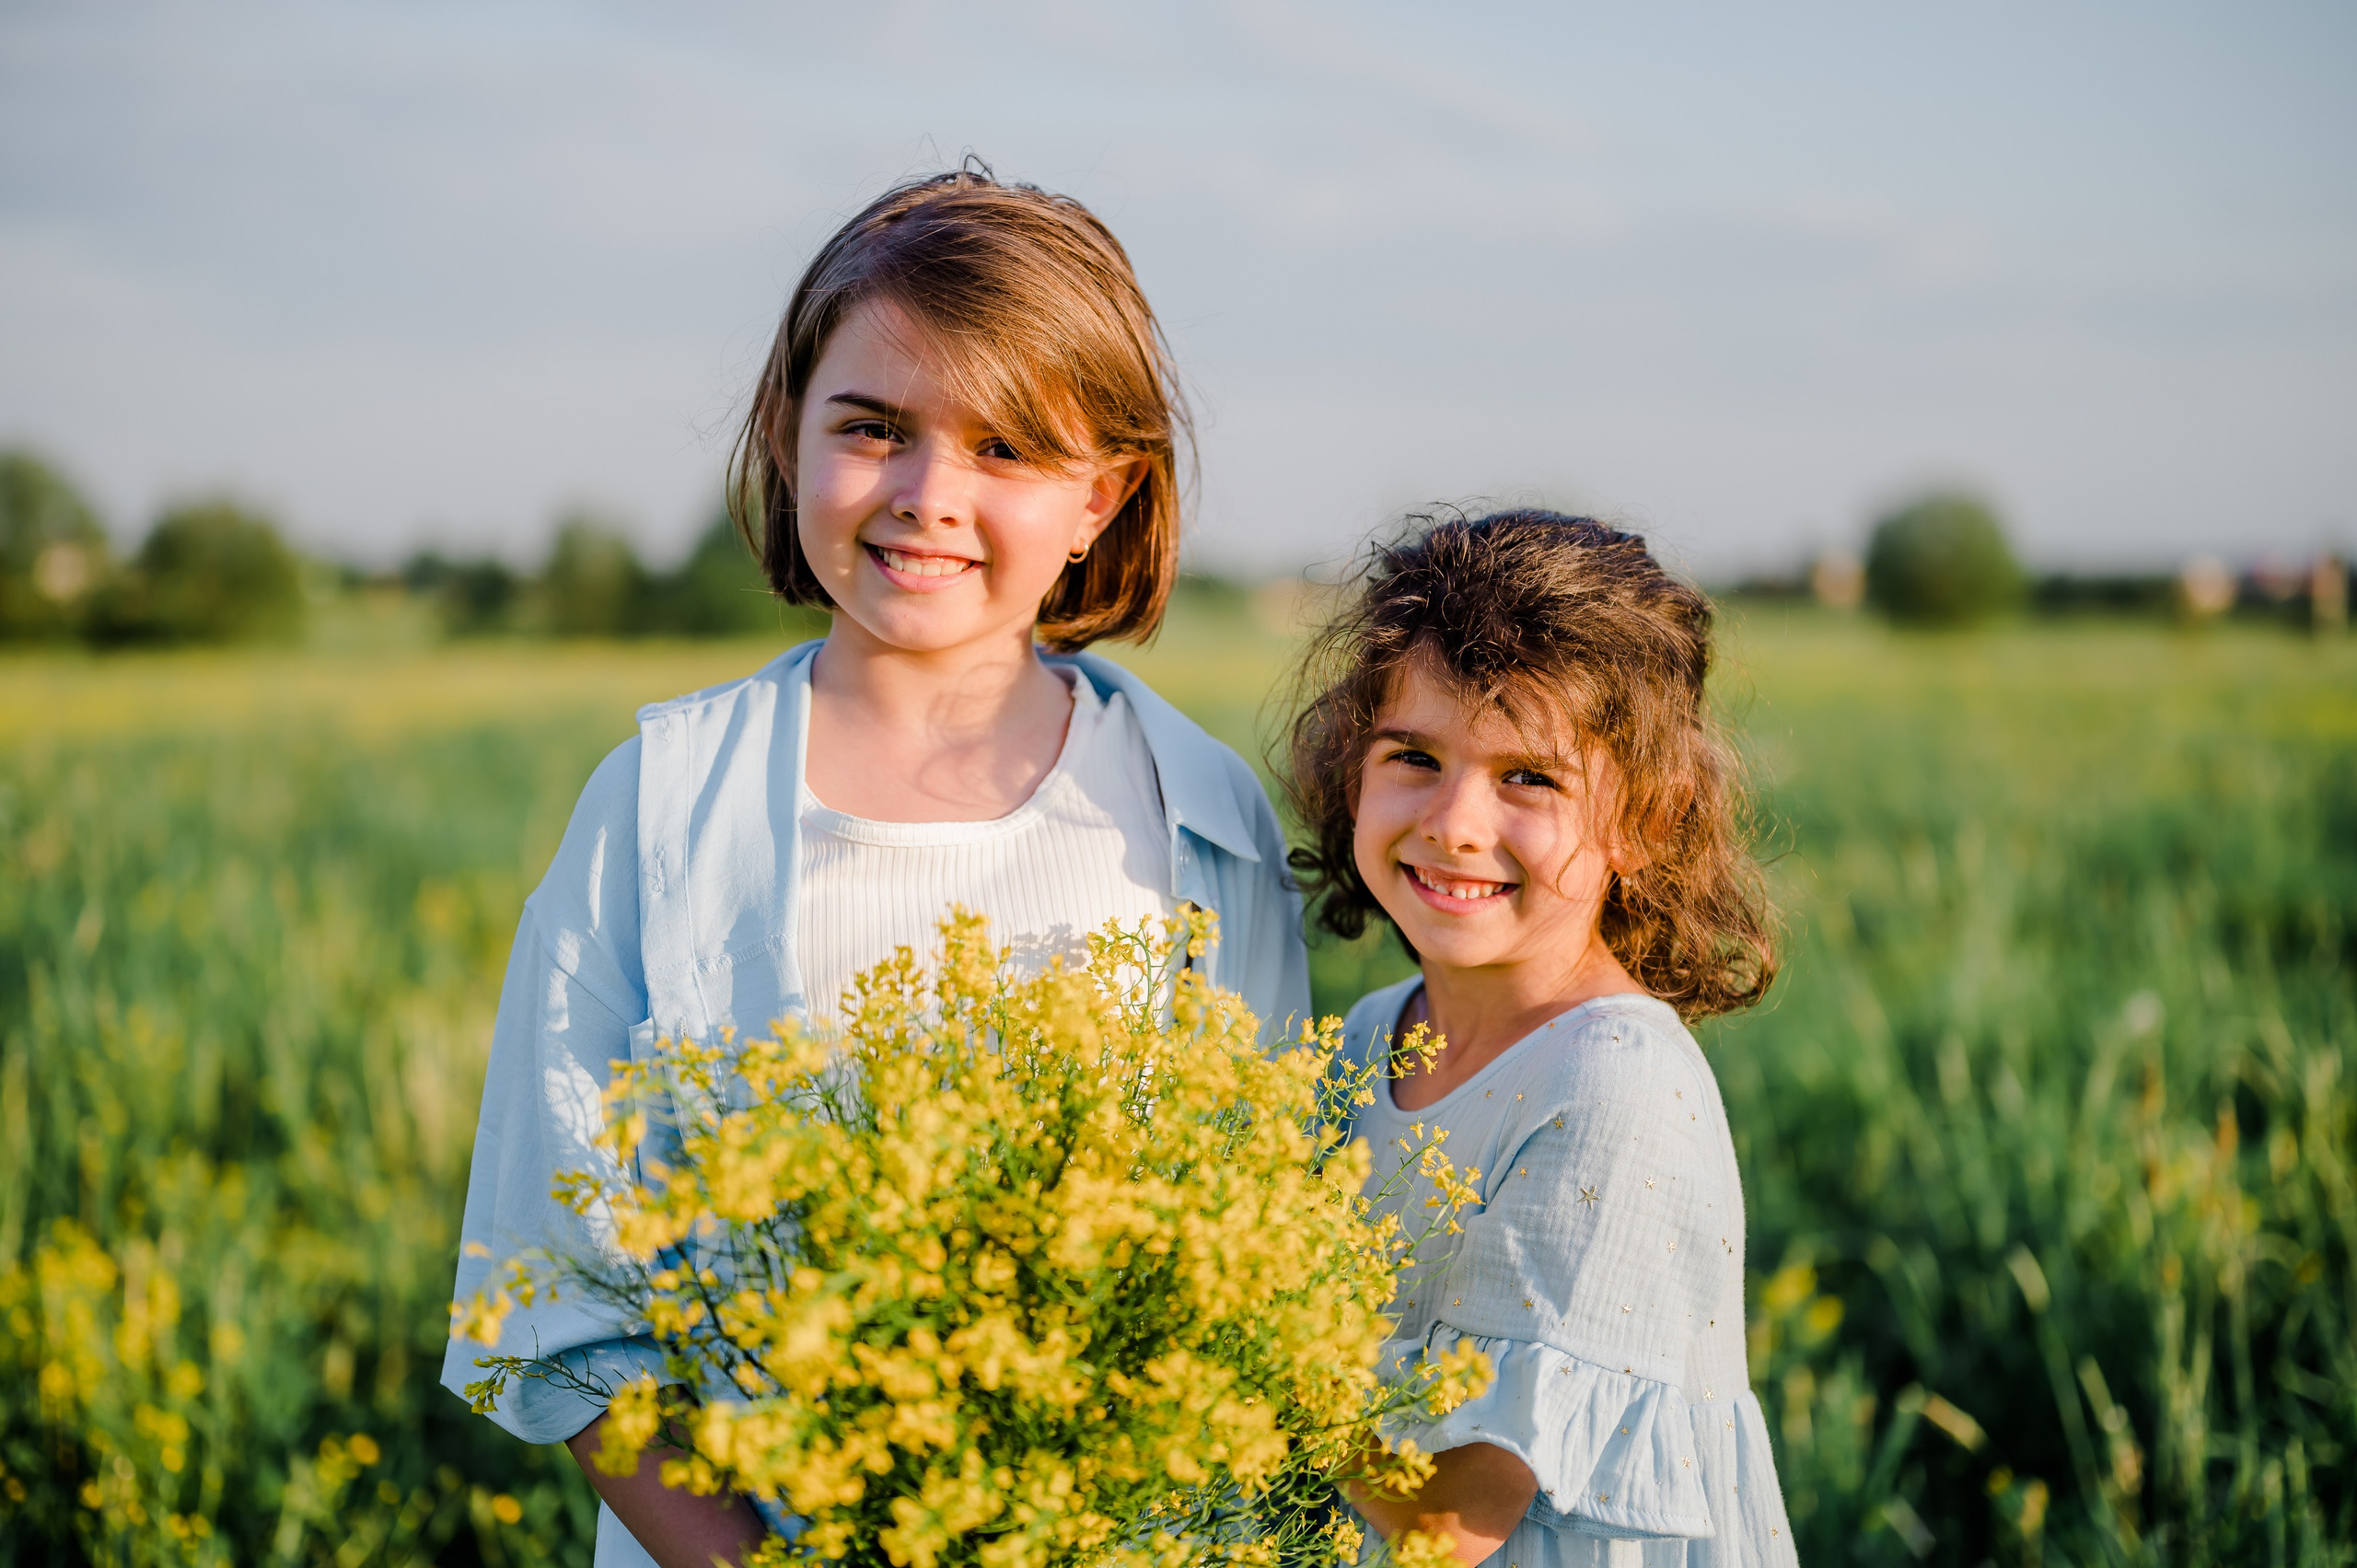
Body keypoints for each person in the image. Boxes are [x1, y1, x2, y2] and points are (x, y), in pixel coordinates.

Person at [442, 167, 1310, 1568]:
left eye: (1008, 449)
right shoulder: (656, 808)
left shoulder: (1197, 816)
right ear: (790, 439)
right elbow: (568, 1306)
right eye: (874, 427)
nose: (928, 496)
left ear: (1103, 495)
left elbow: (1255, 1275)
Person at [1283, 510, 1794, 1568]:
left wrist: (1220, 1352)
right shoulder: (1366, 1039)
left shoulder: (1613, 1083)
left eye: (1530, 777)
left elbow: (1454, 1515)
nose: (1456, 821)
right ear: (1350, 768)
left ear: (1647, 819)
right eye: (1413, 756)